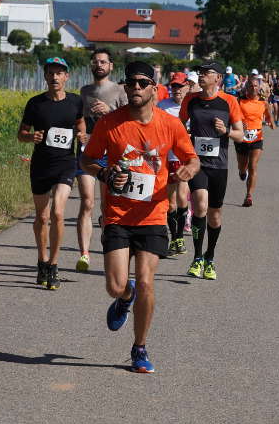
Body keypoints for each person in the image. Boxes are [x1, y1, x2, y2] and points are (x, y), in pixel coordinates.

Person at [81, 61, 199, 373]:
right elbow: (87, 159)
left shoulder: (169, 125)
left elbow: (192, 158)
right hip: (118, 215)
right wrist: (105, 173)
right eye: (131, 82)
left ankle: (139, 347)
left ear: (153, 88)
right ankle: (125, 297)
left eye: (142, 83)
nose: (135, 87)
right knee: (115, 286)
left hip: (153, 214)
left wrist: (188, 169)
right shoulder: (110, 124)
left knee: (147, 282)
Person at [18, 57, 85, 289]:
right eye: (51, 73)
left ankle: (54, 265)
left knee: (58, 211)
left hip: (66, 164)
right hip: (41, 165)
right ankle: (42, 260)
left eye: (59, 73)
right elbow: (21, 133)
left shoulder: (76, 101)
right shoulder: (35, 104)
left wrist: (82, 136)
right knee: (42, 217)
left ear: (67, 77)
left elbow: (80, 124)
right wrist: (30, 137)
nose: (55, 77)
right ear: (45, 76)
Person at [179, 61, 244, 280]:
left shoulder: (229, 101)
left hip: (219, 165)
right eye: (201, 73)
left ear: (218, 79)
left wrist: (225, 131)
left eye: (207, 73)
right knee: (200, 206)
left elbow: (241, 134)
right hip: (197, 163)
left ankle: (210, 258)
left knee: (215, 216)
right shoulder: (191, 100)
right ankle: (197, 258)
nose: (202, 76)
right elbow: (179, 126)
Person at [75, 48, 128, 272]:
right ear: (91, 65)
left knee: (108, 207)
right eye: (96, 61)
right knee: (87, 201)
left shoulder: (119, 91)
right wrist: (81, 132)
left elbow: (129, 122)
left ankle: (108, 245)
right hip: (88, 152)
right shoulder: (84, 91)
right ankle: (84, 254)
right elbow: (79, 120)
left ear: (111, 66)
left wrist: (109, 111)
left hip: (111, 153)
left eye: (103, 62)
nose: (99, 65)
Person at [157, 72, 191, 255]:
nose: (176, 90)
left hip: (184, 159)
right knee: (170, 204)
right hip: (166, 158)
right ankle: (175, 239)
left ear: (188, 87)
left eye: (180, 86)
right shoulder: (163, 106)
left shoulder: (192, 106)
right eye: (174, 86)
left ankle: (178, 237)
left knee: (182, 197)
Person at [237, 77, 275, 207]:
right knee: (242, 167)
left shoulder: (263, 103)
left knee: (252, 166)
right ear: (246, 88)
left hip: (257, 138)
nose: (253, 88)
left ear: (259, 88)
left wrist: (271, 123)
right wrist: (240, 122)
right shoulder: (240, 101)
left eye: (255, 86)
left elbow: (269, 115)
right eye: (251, 86)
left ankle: (249, 196)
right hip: (242, 138)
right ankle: (242, 172)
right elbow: (234, 116)